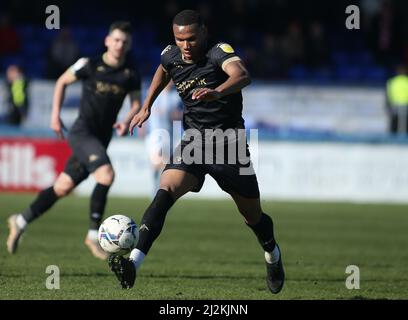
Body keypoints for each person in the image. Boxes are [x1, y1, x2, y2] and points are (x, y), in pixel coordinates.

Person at [108, 10, 285, 294]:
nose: (185, 45)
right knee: (164, 192)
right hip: (194, 143)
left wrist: (218, 92)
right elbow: (163, 69)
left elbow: (242, 75)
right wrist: (146, 105)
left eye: (190, 38)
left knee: (252, 217)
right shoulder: (171, 54)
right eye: (180, 39)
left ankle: (272, 254)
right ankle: (133, 263)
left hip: (229, 145)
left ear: (203, 31)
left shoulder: (219, 52)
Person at [6, 21, 141, 260]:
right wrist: (55, 115)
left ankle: (20, 220)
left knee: (62, 187)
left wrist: (127, 120)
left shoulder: (130, 74)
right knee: (106, 175)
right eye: (116, 39)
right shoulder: (89, 64)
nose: (120, 45)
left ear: (129, 45)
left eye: (124, 41)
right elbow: (61, 81)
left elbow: (136, 104)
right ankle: (92, 235)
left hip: (101, 137)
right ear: (107, 41)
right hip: (82, 133)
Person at [143, 81, 182, 195]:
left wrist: (177, 115)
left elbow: (180, 115)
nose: (170, 82)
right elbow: (145, 111)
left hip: (168, 135)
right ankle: (158, 191)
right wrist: (143, 127)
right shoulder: (152, 94)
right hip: (155, 135)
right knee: (160, 162)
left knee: (160, 165)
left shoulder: (176, 96)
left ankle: (158, 191)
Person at [385, 64, 408, 134]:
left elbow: (388, 95)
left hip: (395, 104)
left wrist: (387, 105)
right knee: (406, 124)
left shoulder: (392, 82)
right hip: (406, 104)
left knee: (394, 123)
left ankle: (392, 139)